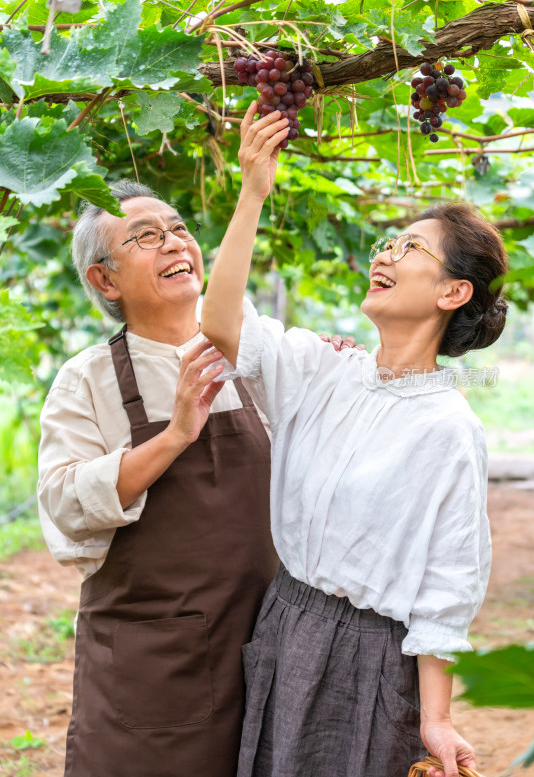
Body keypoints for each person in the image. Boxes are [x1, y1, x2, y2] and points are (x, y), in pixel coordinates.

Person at [201, 103, 508, 777]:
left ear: (453, 291)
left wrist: (436, 718)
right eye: (387, 242)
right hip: (282, 619)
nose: (385, 253)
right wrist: (252, 191)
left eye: (409, 247)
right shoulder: (321, 369)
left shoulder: (449, 429)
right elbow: (222, 321)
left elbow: (445, 585)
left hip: (368, 656)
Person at [37, 179, 355, 777]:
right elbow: (65, 504)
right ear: (104, 280)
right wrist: (176, 432)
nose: (173, 242)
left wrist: (333, 368)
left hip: (270, 643)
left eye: (178, 228)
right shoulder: (88, 380)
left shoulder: (258, 359)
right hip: (154, 665)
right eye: (146, 236)